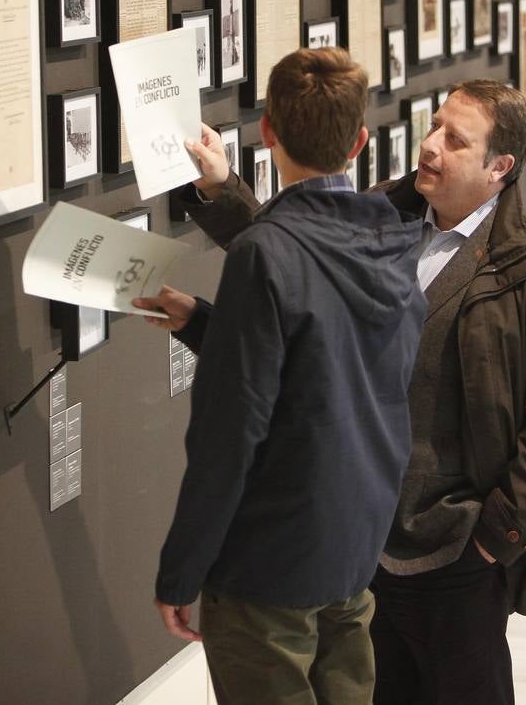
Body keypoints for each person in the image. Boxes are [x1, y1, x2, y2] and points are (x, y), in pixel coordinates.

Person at [178, 78, 526, 705]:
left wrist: (495, 537)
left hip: (455, 551)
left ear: (499, 168)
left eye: (455, 140)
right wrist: (221, 186)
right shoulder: (377, 213)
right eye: (434, 126)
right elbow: (290, 257)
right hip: (352, 533)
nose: (429, 146)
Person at [137, 47, 427, 705]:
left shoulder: (265, 255)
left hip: (269, 560)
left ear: (267, 132)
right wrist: (202, 321)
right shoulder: (392, 237)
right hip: (355, 543)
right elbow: (320, 365)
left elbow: (228, 434)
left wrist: (180, 572)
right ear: (359, 141)